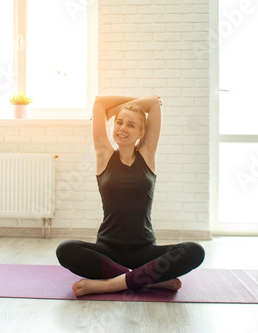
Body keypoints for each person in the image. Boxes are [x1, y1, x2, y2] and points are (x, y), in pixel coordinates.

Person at [56, 95, 205, 297]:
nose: (122, 128)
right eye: (119, 122)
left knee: (195, 250)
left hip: (144, 250)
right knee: (65, 249)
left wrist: (126, 107)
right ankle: (147, 281)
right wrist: (127, 106)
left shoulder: (147, 154)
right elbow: (99, 102)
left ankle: (108, 284)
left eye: (131, 125)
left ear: (141, 133)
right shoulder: (104, 155)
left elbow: (153, 103)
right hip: (108, 249)